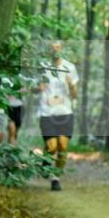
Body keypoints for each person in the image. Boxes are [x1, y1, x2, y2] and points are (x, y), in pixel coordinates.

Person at [37, 41, 78, 191]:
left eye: (58, 47)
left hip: (65, 112)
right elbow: (34, 89)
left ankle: (56, 178)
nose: (55, 50)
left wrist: (71, 85)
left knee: (63, 145)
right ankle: (46, 160)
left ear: (61, 49)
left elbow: (75, 95)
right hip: (46, 112)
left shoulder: (69, 68)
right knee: (52, 146)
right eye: (52, 48)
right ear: (49, 51)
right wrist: (38, 87)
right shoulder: (43, 67)